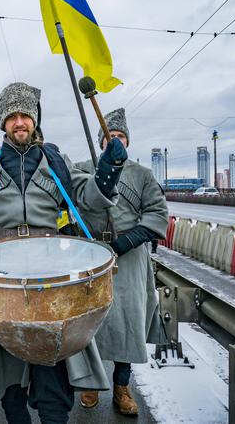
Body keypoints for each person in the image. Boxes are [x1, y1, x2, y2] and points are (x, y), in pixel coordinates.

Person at [0, 82, 128, 424]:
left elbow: (87, 197)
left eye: (25, 115)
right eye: (12, 116)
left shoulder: (56, 160)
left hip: (51, 276)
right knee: (8, 373)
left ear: (35, 120)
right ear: (3, 123)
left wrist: (108, 172)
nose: (19, 122)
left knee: (54, 366)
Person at [74, 108, 169, 415]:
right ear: (101, 141)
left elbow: (157, 213)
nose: (115, 141)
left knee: (127, 322)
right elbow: (67, 203)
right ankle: (88, 383)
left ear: (127, 141)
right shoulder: (83, 168)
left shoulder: (143, 175)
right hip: (90, 255)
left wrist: (129, 240)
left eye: (120, 137)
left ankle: (122, 387)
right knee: (86, 323)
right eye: (110, 137)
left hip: (128, 257)